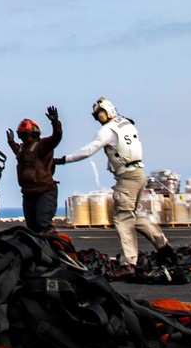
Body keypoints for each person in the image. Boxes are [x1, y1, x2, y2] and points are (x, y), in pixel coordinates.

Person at [55, 97, 174, 278]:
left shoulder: (107, 131)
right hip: (138, 174)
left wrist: (64, 159)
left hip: (126, 178)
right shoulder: (126, 123)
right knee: (131, 216)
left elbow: (89, 150)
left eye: (98, 115)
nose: (98, 118)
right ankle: (164, 247)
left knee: (122, 219)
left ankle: (128, 264)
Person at [7, 107, 63, 234]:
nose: (22, 138)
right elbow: (18, 152)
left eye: (24, 135)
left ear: (34, 134)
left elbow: (56, 137)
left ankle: (58, 251)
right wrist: (11, 143)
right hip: (28, 193)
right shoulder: (22, 149)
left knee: (43, 224)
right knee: (32, 229)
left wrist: (55, 123)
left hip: (45, 191)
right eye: (20, 134)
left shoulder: (42, 146)